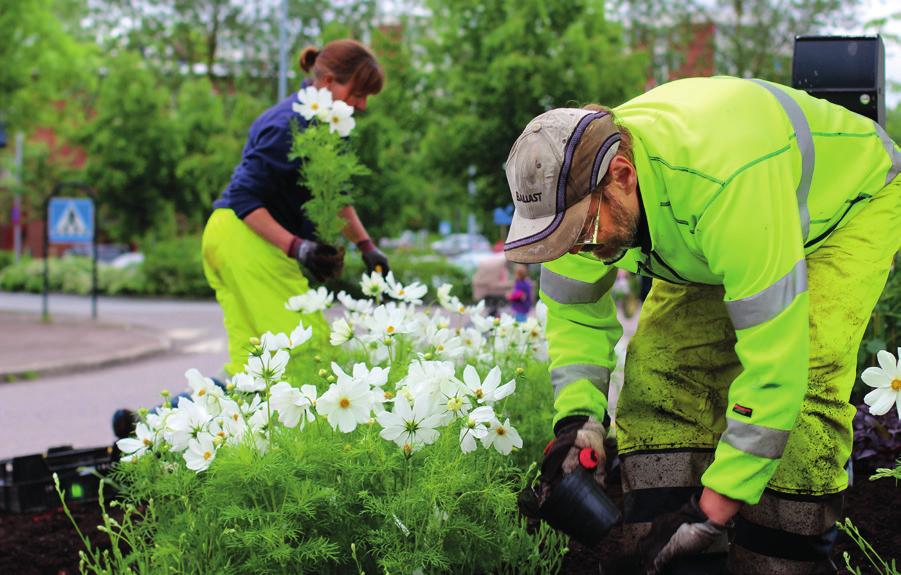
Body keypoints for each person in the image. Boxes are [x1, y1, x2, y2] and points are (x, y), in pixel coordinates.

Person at [503, 77, 900, 574]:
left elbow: (778, 367)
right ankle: (667, 552)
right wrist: (578, 424)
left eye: (584, 231)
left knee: (809, 383)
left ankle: (777, 559)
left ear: (623, 174)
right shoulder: (574, 197)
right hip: (703, 234)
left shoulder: (724, 185)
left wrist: (712, 509)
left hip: (844, 207)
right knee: (658, 369)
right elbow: (575, 313)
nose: (578, 248)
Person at [202, 39, 390, 377]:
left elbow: (335, 198)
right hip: (246, 236)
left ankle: (151, 421)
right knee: (308, 357)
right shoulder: (290, 124)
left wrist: (367, 248)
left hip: (229, 235)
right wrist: (298, 247)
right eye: (357, 94)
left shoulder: (323, 125)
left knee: (253, 370)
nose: (361, 105)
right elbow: (245, 197)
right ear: (328, 81)